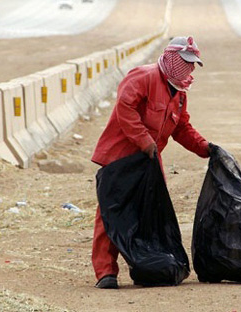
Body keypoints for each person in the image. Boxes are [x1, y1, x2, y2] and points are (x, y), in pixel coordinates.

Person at [90, 36, 211, 289]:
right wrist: (143, 140)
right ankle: (106, 272)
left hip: (149, 162)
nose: (187, 69)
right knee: (111, 212)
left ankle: (149, 263)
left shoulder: (179, 93)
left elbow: (182, 128)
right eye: (184, 62)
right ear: (170, 58)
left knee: (152, 211)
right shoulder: (143, 77)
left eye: (191, 64)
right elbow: (125, 108)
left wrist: (205, 148)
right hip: (121, 158)